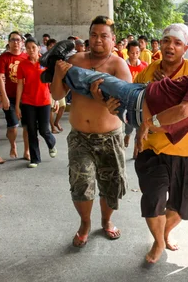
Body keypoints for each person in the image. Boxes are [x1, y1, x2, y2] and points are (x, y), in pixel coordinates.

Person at [44, 42, 188, 143]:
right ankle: (53, 74)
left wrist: (151, 123)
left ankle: (59, 63)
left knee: (97, 80)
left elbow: (184, 110)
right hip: (137, 108)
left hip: (136, 101)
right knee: (93, 89)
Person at [49, 16, 131, 249]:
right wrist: (58, 72)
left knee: (111, 184)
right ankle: (85, 224)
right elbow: (56, 95)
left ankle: (106, 221)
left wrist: (102, 101)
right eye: (94, 34)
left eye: (104, 36)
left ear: (113, 40)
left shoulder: (118, 65)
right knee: (81, 183)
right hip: (80, 137)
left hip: (110, 137)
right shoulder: (75, 60)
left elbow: (126, 103)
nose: (98, 39)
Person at [133, 24, 188, 263]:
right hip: (152, 148)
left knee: (180, 208)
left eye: (177, 43)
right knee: (153, 201)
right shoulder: (148, 70)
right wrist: (136, 134)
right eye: (166, 41)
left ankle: (164, 234)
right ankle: (159, 242)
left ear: (185, 48)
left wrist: (168, 89)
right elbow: (135, 103)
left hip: (184, 150)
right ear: (160, 44)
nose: (170, 47)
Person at [15, 38, 58, 168]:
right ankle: (35, 159)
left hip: (44, 100)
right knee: (31, 130)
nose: (31, 50)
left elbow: (52, 82)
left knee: (44, 130)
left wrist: (55, 99)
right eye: (28, 48)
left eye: (33, 47)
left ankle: (51, 143)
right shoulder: (22, 64)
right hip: (28, 102)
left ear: (39, 48)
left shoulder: (45, 62)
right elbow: (20, 85)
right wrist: (17, 105)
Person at [0, 31, 30, 160]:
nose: (15, 42)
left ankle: (27, 151)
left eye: (18, 40)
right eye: (12, 40)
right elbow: (0, 77)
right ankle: (13, 145)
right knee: (13, 126)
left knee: (27, 125)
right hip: (10, 96)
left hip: (25, 97)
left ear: (22, 42)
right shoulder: (4, 58)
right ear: (8, 42)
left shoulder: (27, 57)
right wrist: (3, 97)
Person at [121, 40, 149, 155]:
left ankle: (136, 149)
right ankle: (127, 135)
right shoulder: (123, 65)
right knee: (128, 121)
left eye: (137, 52)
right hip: (127, 98)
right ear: (128, 52)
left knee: (139, 122)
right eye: (132, 53)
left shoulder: (144, 66)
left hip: (140, 99)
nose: (135, 55)